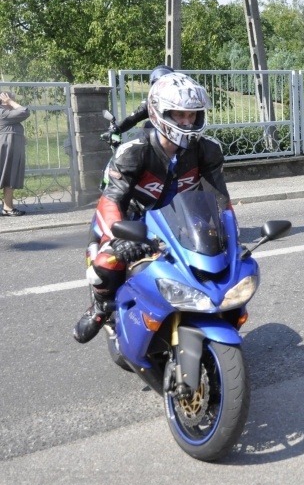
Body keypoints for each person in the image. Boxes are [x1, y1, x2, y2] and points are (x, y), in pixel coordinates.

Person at [73, 72, 233, 344]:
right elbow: (111, 199)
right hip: (134, 220)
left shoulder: (207, 149)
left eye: (192, 115)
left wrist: (230, 236)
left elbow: (220, 200)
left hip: (179, 220)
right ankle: (100, 309)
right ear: (160, 113)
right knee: (103, 264)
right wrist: (119, 236)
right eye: (179, 115)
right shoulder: (134, 150)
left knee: (219, 268)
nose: (187, 121)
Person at [102, 65, 175, 142]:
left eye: (166, 85)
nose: (162, 90)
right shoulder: (151, 103)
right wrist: (116, 129)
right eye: (158, 85)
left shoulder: (181, 104)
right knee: (147, 127)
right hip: (156, 142)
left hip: (179, 142)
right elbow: (134, 117)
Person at [0, 91, 30, 217]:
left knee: (9, 177)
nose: (15, 103)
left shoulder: (7, 113)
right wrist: (10, 101)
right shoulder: (2, 112)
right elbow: (24, 111)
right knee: (6, 176)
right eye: (13, 100)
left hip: (10, 148)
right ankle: (7, 208)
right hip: (6, 149)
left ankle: (8, 207)